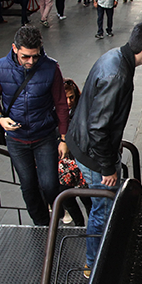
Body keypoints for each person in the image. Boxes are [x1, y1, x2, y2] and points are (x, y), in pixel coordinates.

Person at [66, 21, 142, 277]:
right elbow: (99, 127)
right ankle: (94, 264)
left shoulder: (114, 58)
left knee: (103, 206)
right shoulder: (118, 75)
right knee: (103, 209)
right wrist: (108, 166)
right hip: (94, 154)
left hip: (86, 145)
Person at [0, 26, 70, 227]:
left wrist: (64, 139)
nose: (31, 62)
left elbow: (60, 103)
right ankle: (42, 225)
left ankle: (56, 213)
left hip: (44, 136)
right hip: (16, 140)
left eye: (35, 56)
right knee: (28, 185)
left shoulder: (51, 68)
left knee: (50, 185)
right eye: (25, 57)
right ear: (14, 49)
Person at [57, 78, 92, 226]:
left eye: (71, 97)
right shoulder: (54, 114)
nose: (69, 101)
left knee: (87, 198)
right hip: (64, 163)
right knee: (67, 198)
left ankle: (92, 227)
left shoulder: (83, 111)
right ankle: (79, 225)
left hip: (80, 161)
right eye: (65, 98)